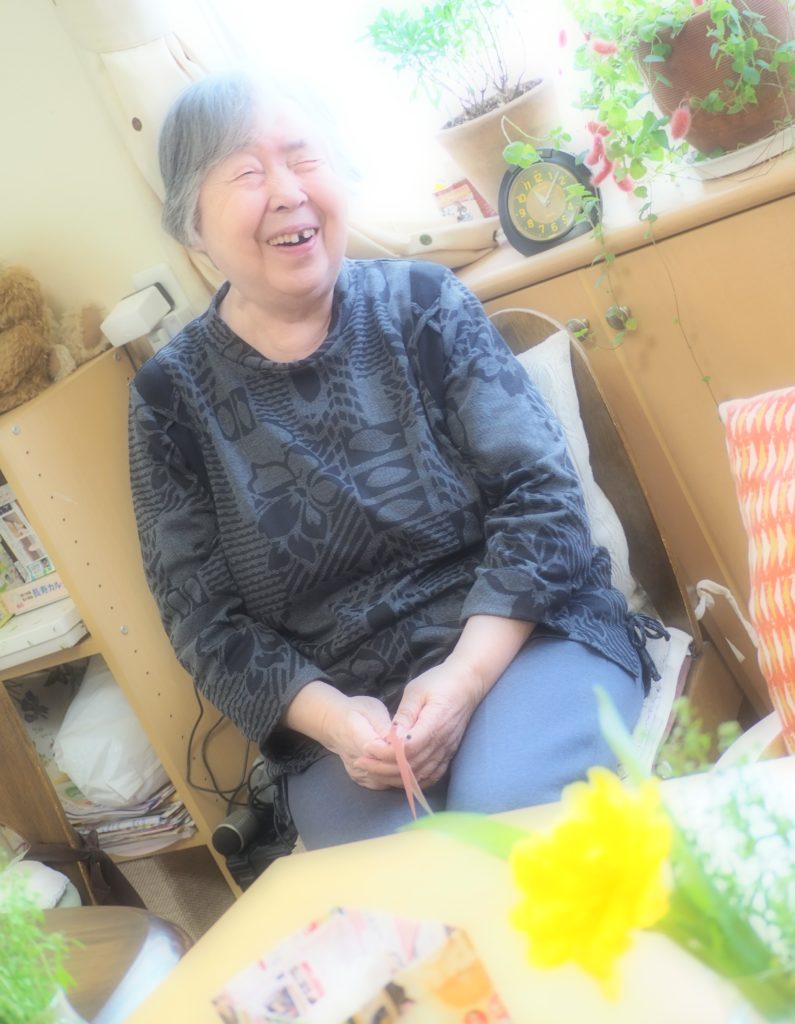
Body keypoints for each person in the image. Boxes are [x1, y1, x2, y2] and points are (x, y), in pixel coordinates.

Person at [128, 71, 654, 853]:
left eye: (303, 158)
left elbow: (540, 500)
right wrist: (337, 721)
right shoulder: (169, 400)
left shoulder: (422, 304)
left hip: (520, 640)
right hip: (341, 719)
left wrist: (462, 677)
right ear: (192, 226)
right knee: (397, 886)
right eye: (245, 173)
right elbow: (204, 623)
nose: (287, 192)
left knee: (506, 828)